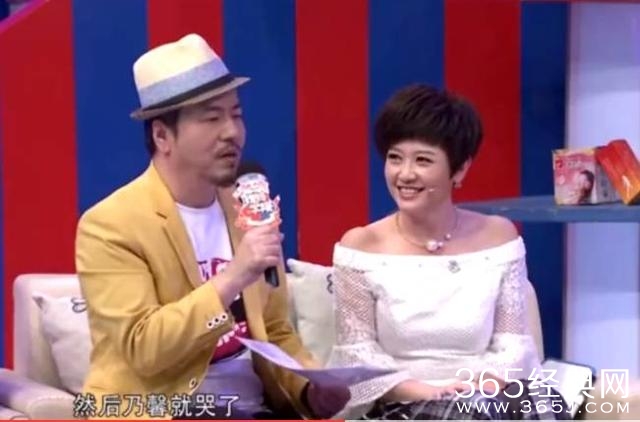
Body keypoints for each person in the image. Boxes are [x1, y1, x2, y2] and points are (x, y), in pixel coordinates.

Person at [75, 33, 349, 420]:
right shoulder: (110, 225)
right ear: (162, 135)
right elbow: (144, 348)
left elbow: (273, 330)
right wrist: (234, 276)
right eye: (212, 118)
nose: (232, 132)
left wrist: (308, 389)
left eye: (236, 114)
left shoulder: (246, 209)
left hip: (251, 409)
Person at [327, 84, 571, 420]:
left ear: (459, 170)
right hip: (401, 405)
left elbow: (513, 344)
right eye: (395, 158)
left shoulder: (498, 237)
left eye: (423, 160)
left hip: (487, 398)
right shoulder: (361, 246)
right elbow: (358, 354)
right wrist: (423, 390)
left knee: (541, 402)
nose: (405, 174)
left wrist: (478, 386)